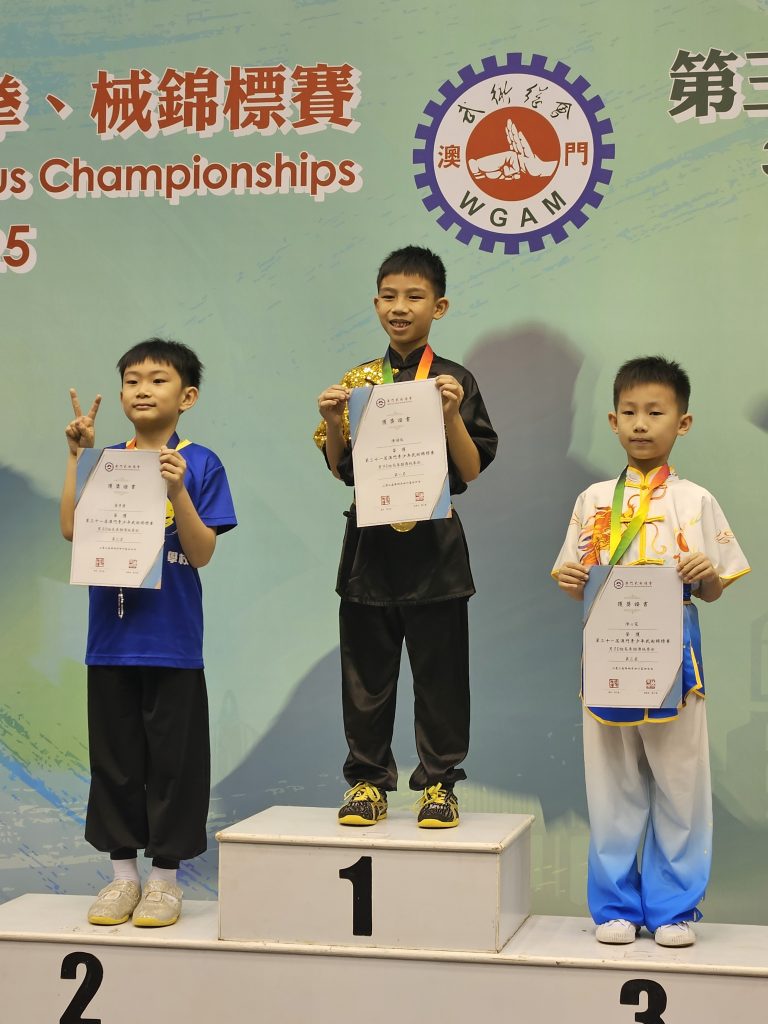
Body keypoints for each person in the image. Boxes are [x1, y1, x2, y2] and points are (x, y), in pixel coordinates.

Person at [552, 356, 750, 947]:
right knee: (610, 786)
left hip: (675, 667)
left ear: (682, 423)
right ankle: (615, 907)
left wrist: (705, 573)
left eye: (656, 412)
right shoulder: (592, 500)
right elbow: (575, 578)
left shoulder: (697, 500)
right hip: (608, 659)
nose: (642, 424)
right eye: (630, 412)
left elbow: (713, 590)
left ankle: (674, 909)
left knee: (681, 786)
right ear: (613, 421)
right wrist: (572, 579)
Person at [314, 245, 497, 828]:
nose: (400, 307)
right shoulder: (359, 382)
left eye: (414, 297)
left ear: (438, 307)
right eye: (389, 296)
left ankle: (439, 784)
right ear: (376, 304)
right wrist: (334, 422)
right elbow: (342, 469)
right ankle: (367, 783)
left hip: (435, 555)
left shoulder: (454, 380)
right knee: (366, 679)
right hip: (370, 554)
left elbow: (470, 470)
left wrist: (450, 415)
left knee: (441, 678)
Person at [60, 338, 236, 927]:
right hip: (110, 641)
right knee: (115, 763)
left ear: (187, 397)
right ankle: (122, 878)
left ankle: (164, 881)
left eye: (158, 380)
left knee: (174, 764)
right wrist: (76, 458)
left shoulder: (200, 462)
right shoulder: (107, 460)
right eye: (131, 380)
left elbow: (201, 552)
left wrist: (178, 490)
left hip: (173, 643)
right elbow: (72, 531)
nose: (142, 390)